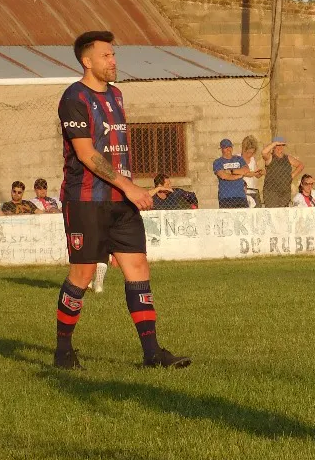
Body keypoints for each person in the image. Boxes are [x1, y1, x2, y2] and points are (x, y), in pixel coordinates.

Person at [54, 30, 189, 371]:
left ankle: (152, 353)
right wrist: (129, 188)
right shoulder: (74, 98)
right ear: (87, 61)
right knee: (82, 276)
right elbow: (86, 154)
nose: (114, 61)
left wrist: (132, 187)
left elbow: (115, 153)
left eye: (114, 55)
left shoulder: (116, 95)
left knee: (138, 269)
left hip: (121, 201)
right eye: (106, 56)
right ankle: (63, 351)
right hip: (86, 201)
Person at [261, 136, 306, 207]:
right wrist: (274, 143)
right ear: (274, 146)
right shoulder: (270, 157)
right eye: (278, 145)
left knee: (283, 214)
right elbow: (263, 152)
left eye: (282, 145)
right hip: (271, 192)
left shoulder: (287, 158)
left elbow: (301, 165)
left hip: (285, 191)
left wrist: (292, 176)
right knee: (273, 213)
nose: (280, 147)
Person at [212, 138, 250, 208]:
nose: (228, 149)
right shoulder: (218, 162)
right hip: (226, 196)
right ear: (221, 149)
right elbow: (223, 176)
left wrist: (231, 171)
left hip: (240, 195)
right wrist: (239, 175)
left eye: (230, 147)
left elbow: (246, 170)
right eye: (226, 147)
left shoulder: (239, 159)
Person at [241, 135, 263, 208]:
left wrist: (260, 173)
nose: (250, 154)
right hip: (242, 192)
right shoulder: (237, 159)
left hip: (252, 191)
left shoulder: (253, 159)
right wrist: (252, 173)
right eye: (248, 152)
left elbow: (256, 175)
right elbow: (243, 173)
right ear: (244, 149)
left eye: (252, 152)